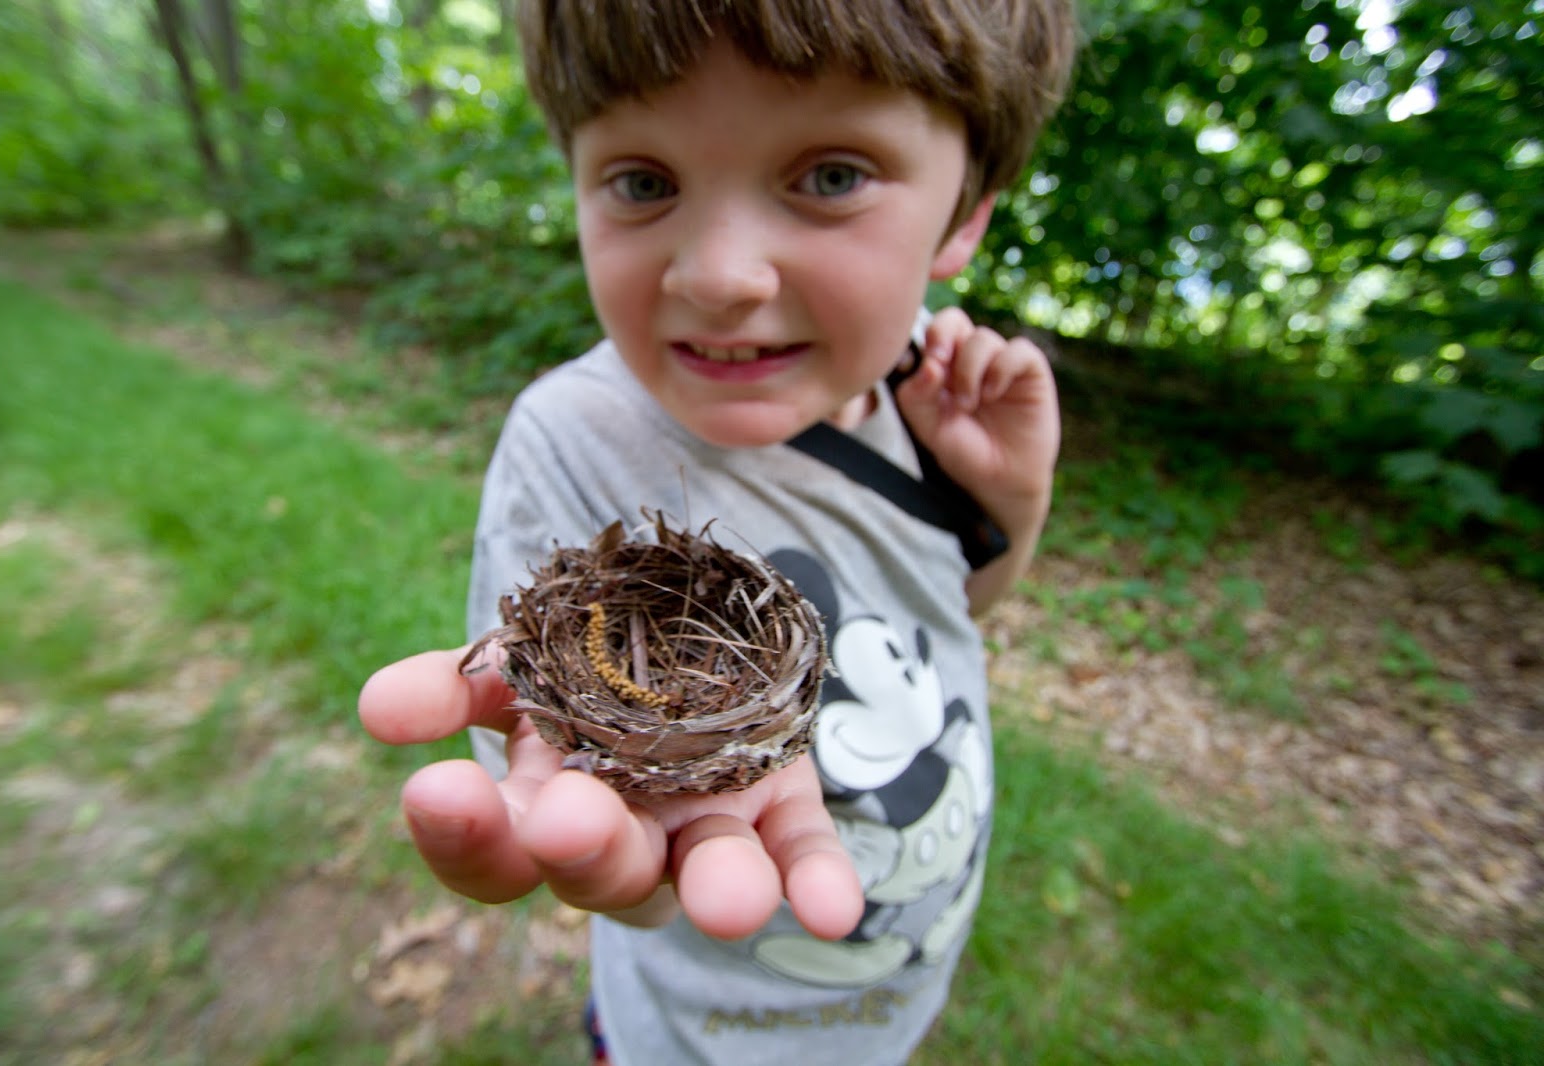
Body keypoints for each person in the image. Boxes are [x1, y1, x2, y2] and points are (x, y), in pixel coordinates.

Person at [358, 1, 1077, 1061]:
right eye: (645, 183)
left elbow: (950, 608)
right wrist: (632, 866)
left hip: (890, 1001)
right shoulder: (576, 440)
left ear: (964, 213)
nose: (719, 275)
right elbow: (555, 759)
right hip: (691, 1032)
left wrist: (1012, 507)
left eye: (832, 176)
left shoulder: (936, 400)